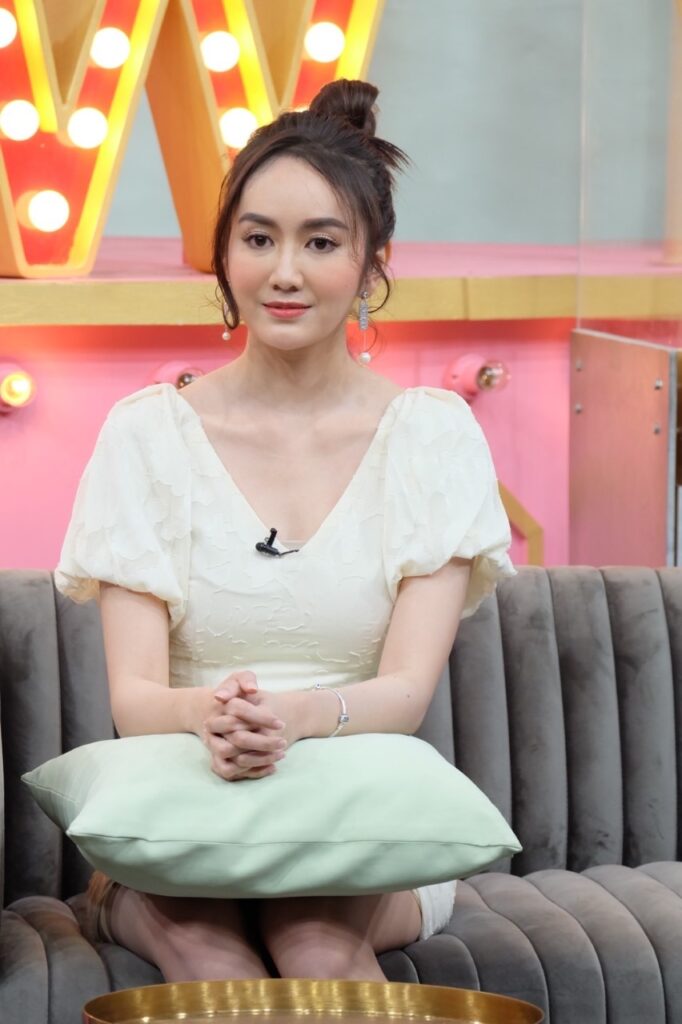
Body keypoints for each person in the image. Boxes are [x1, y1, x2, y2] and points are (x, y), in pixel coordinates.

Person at [55, 78, 516, 983]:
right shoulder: (147, 435)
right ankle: (155, 911)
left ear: (373, 264)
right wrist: (213, 717)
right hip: (184, 815)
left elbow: (405, 692)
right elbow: (135, 698)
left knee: (318, 948)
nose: (285, 272)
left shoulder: (432, 437)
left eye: (322, 242)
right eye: (258, 238)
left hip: (357, 820)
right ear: (225, 254)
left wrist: (300, 720)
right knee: (211, 958)